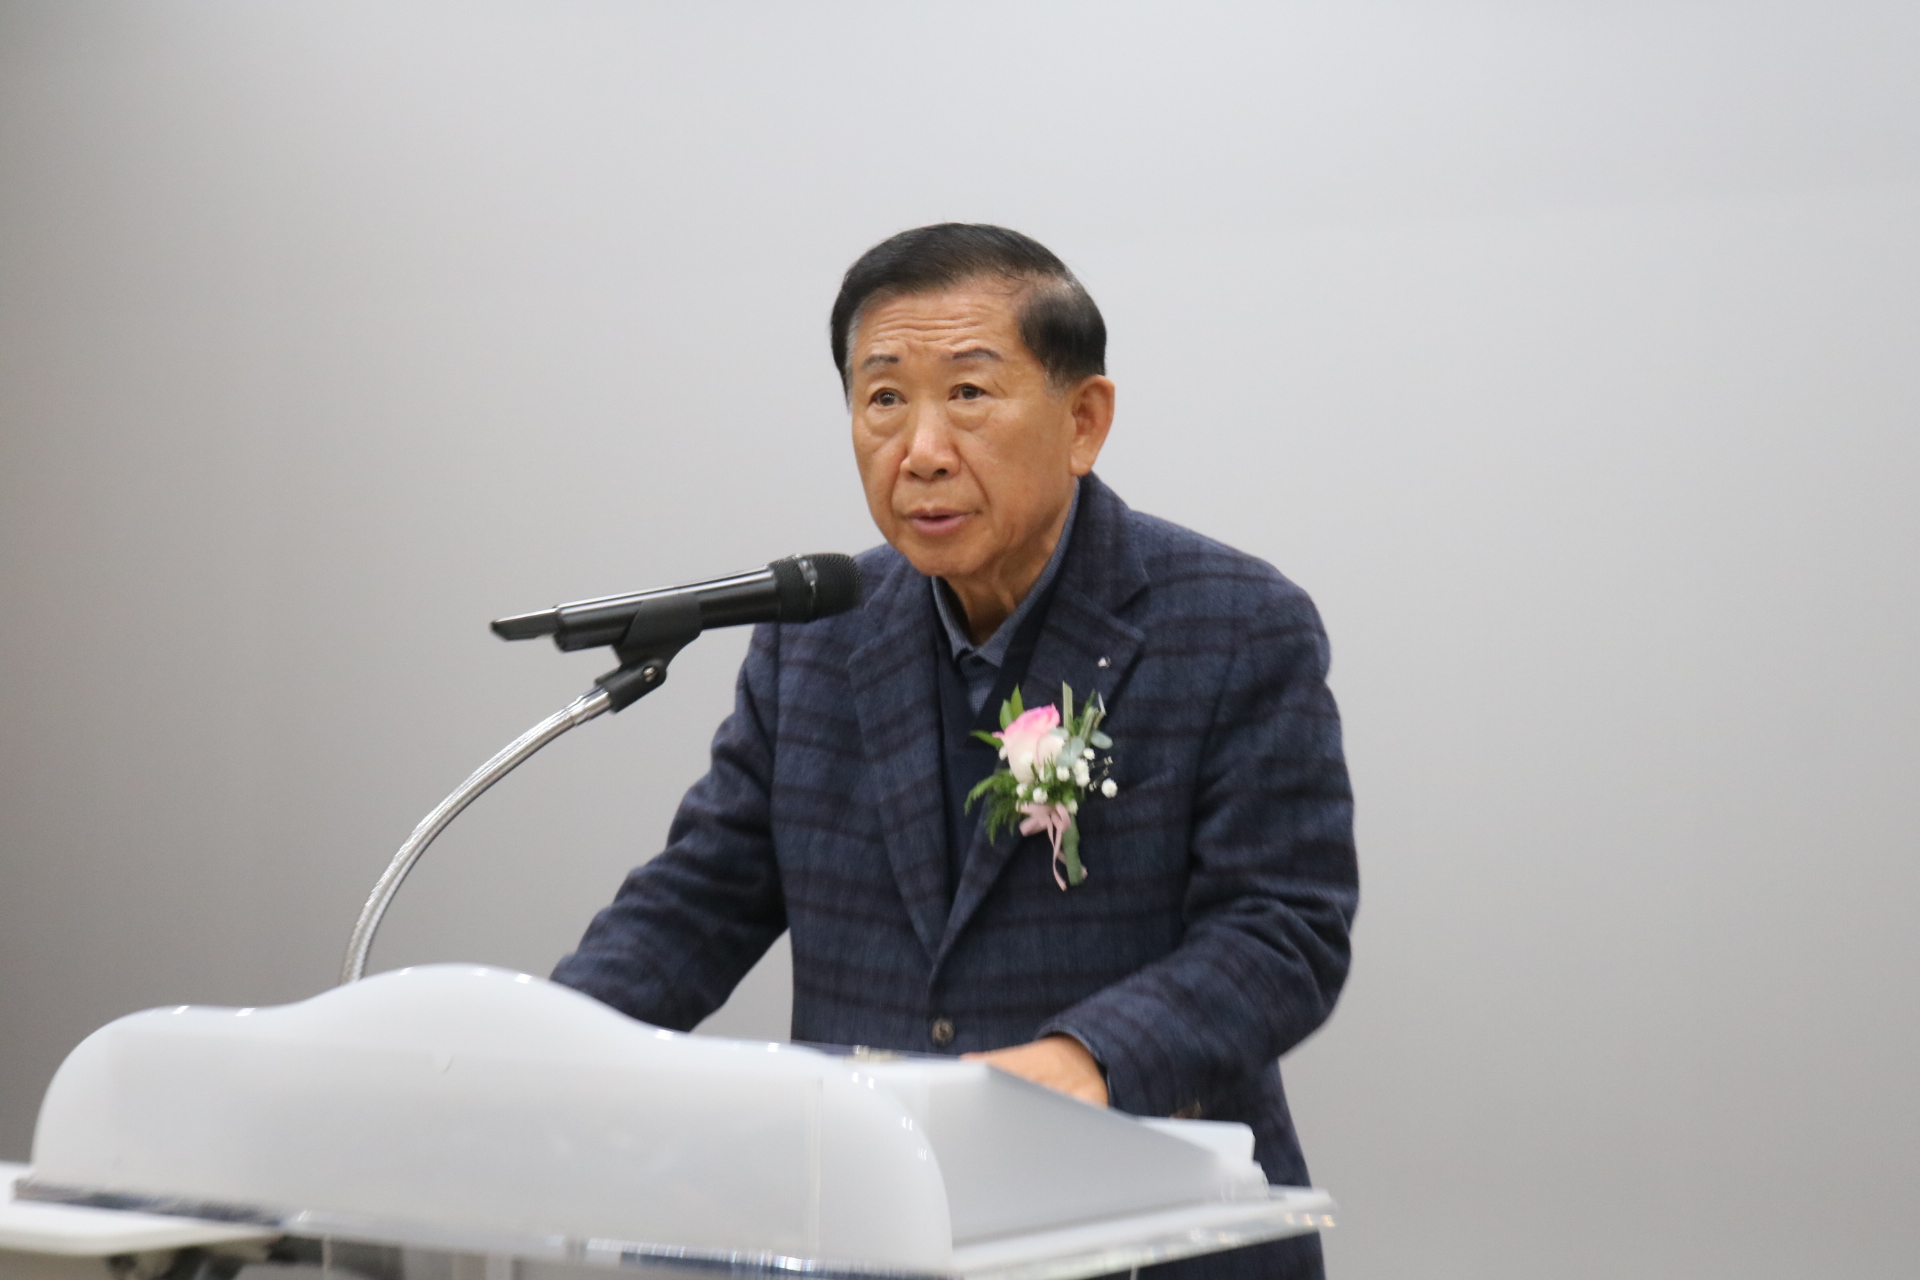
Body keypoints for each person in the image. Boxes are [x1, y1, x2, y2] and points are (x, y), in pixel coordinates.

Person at [553, 224, 1358, 1280]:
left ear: (1083, 420)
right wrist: (543, 1055)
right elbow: (698, 900)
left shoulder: (1234, 623)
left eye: (969, 394)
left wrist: (1087, 1058)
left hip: (1139, 1228)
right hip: (863, 1226)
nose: (922, 449)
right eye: (884, 398)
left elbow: (1283, 931)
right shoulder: (816, 636)